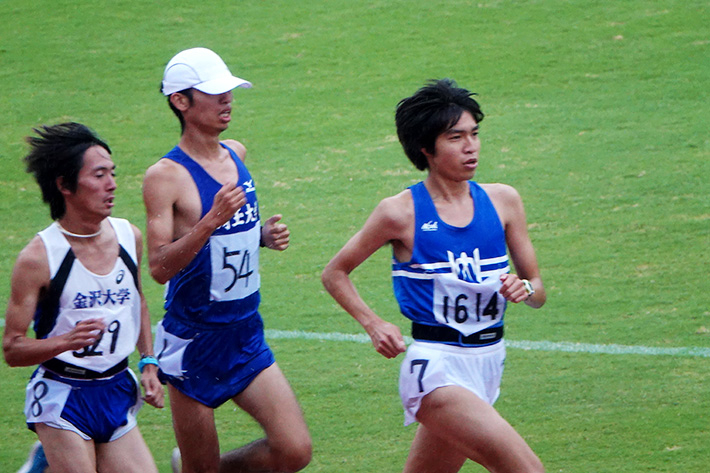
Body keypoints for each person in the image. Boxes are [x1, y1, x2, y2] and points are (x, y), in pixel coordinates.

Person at [322, 79, 547, 473]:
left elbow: (538, 290)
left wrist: (523, 287)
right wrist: (373, 323)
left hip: (488, 364)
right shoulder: (400, 212)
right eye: (455, 137)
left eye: (474, 134)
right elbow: (335, 273)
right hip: (437, 370)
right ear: (426, 148)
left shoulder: (504, 201)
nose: (471, 146)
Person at [142, 47, 312, 473]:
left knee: (294, 450)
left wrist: (261, 236)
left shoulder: (235, 153)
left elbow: (231, 239)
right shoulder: (165, 176)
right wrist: (209, 221)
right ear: (180, 101)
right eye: (214, 93)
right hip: (194, 341)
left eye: (229, 91)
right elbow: (159, 267)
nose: (227, 100)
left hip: (245, 333)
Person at [3, 122, 164, 473]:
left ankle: (42, 465)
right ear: (65, 185)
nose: (112, 184)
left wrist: (148, 360)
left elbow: (137, 302)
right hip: (62, 396)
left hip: (116, 390)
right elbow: (12, 349)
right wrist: (65, 341)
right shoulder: (39, 257)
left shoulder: (128, 237)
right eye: (99, 175)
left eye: (112, 173)